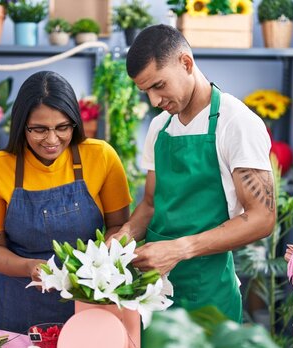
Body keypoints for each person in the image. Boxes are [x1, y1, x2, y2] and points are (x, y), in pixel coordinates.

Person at [110, 24, 276, 322]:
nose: (154, 101)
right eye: (145, 91)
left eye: (159, 85)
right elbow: (150, 204)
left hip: (208, 292)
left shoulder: (236, 122)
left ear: (185, 63)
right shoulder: (159, 127)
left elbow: (262, 218)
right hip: (152, 291)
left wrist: (179, 249)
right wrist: (126, 234)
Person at [0, 71, 132, 334]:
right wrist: (29, 267)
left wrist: (97, 264)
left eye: (62, 127)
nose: (51, 139)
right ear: (21, 125)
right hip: (21, 305)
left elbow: (119, 227)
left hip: (89, 302)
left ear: (75, 123)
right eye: (39, 129)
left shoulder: (101, 157)